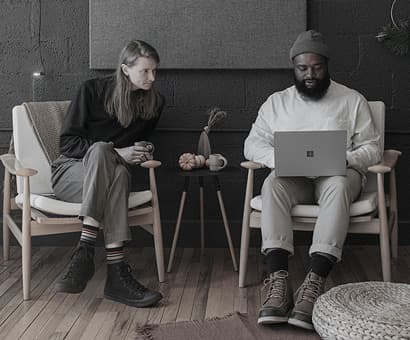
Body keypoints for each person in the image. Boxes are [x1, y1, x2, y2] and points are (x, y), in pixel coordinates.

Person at [244, 30, 381, 329]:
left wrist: (347, 159)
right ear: (294, 68)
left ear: (327, 65)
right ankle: (278, 282)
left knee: (339, 183)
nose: (310, 74)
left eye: (316, 67)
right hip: (295, 178)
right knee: (272, 184)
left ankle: (316, 278)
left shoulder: (351, 100)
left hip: (337, 176)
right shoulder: (276, 103)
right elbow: (252, 144)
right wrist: (277, 160)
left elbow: (373, 147)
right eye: (302, 68)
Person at [52, 40, 165, 307]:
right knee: (103, 151)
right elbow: (67, 144)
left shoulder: (154, 103)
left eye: (154, 71)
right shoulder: (91, 90)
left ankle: (87, 252)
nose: (152, 78)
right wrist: (117, 152)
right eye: (145, 71)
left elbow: (138, 143)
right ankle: (114, 271)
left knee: (119, 173)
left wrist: (143, 149)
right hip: (71, 173)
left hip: (111, 177)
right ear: (125, 69)